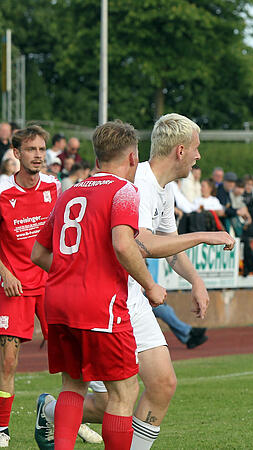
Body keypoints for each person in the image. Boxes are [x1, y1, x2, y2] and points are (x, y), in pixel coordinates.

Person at [35, 113, 236, 450]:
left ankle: (57, 414)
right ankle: (51, 412)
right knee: (118, 396)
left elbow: (166, 243)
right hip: (110, 299)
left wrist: (195, 281)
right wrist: (201, 237)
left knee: (160, 384)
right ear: (181, 150)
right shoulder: (131, 186)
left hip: (110, 299)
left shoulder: (154, 189)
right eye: (197, 148)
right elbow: (136, 244)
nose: (200, 155)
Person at [30, 120, 167, 449]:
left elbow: (38, 252)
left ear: (97, 156)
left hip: (59, 302)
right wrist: (150, 285)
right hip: (100, 304)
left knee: (73, 385)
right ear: (133, 158)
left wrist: (73, 270)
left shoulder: (70, 192)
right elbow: (123, 245)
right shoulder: (124, 192)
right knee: (124, 392)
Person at [0, 126, 59, 447]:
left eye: (42, 149)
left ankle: (72, 416)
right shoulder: (2, 192)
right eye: (32, 149)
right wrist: (5, 273)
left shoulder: (55, 187)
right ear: (17, 154)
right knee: (8, 361)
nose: (38, 155)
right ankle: (1, 429)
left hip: (51, 284)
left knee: (70, 351)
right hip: (14, 286)